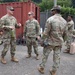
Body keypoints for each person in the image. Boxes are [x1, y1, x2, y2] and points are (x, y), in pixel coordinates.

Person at [37, 6, 67, 75]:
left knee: (45, 55)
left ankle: (41, 68)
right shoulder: (64, 21)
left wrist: (42, 40)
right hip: (59, 43)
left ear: (55, 11)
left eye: (52, 11)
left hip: (50, 43)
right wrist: (63, 41)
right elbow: (66, 34)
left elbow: (46, 32)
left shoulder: (50, 19)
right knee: (57, 57)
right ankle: (53, 71)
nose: (51, 12)